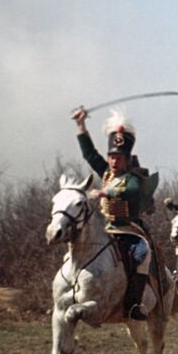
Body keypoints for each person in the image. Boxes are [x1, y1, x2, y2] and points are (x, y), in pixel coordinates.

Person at [72, 108, 156, 320]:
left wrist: (106, 191)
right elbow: (90, 154)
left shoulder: (133, 177)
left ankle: (133, 304)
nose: (113, 161)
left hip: (128, 230)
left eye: (118, 157)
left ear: (127, 159)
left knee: (142, 255)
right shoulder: (107, 172)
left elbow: (132, 191)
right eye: (111, 156)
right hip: (106, 228)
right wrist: (81, 125)